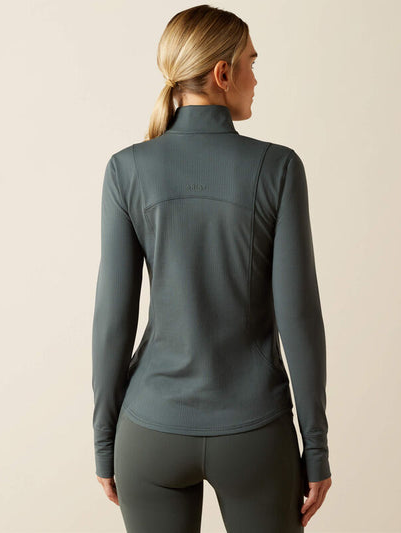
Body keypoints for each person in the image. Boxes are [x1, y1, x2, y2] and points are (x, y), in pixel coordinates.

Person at [92, 5, 332, 532]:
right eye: (251, 63)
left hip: (149, 431)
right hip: (254, 431)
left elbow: (113, 320)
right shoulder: (278, 167)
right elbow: (299, 319)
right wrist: (315, 446)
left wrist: (104, 440)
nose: (255, 78)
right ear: (223, 74)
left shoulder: (126, 169)